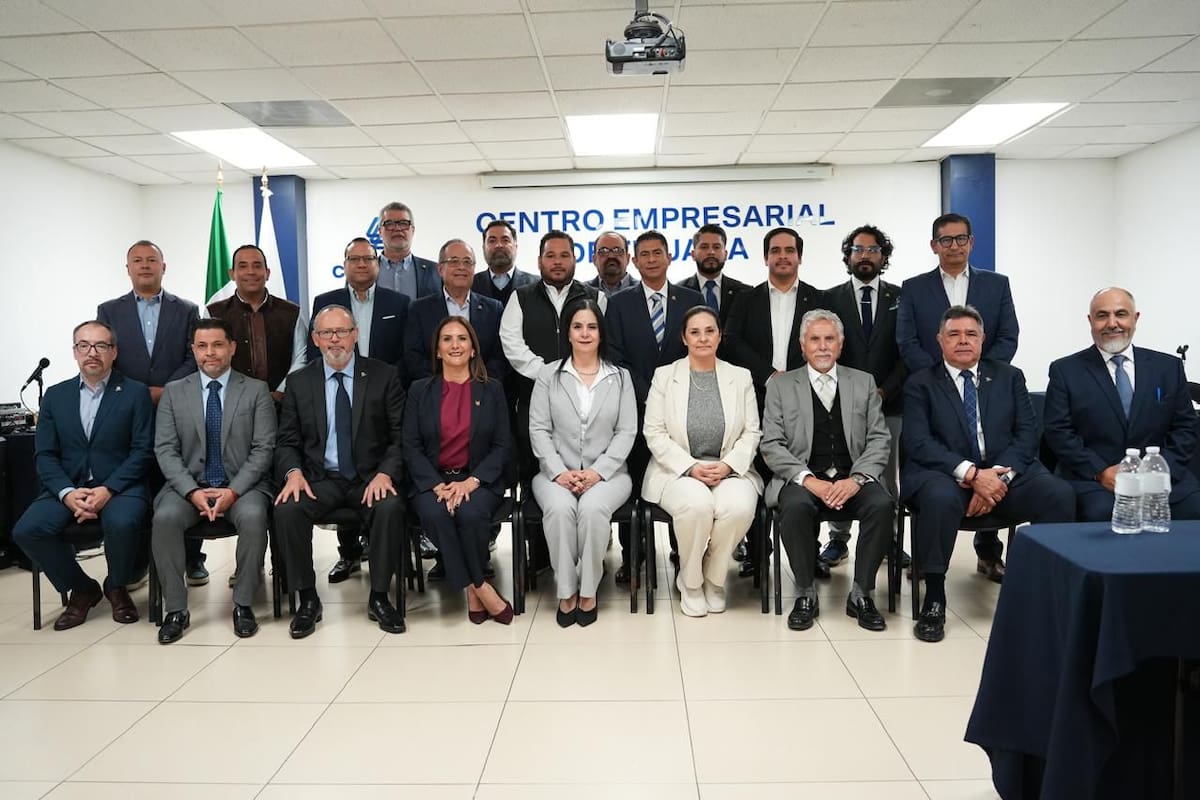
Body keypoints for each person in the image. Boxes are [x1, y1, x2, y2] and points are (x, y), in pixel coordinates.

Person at [901, 305, 1074, 643]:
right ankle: (934, 597)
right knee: (938, 498)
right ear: (940, 340)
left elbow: (1027, 434)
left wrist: (996, 479)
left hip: (1003, 474)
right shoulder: (921, 383)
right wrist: (971, 475)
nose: (962, 341)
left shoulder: (1010, 377)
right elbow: (919, 443)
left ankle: (1045, 594)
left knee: (1058, 494)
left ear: (983, 339)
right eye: (954, 334)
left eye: (971, 334)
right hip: (944, 474)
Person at [895, 213, 1019, 582]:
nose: (954, 246)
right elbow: (907, 341)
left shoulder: (997, 285)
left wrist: (979, 373)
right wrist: (943, 378)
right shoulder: (914, 287)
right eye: (945, 240)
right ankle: (927, 558)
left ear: (972, 242)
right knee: (938, 475)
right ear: (934, 245)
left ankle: (988, 552)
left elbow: (1008, 337)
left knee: (988, 460)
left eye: (960, 239)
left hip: (985, 388)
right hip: (934, 394)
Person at [274, 306, 407, 638]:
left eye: (342, 331)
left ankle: (379, 597)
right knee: (288, 510)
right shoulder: (299, 382)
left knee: (390, 507)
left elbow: (401, 435)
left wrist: (385, 473)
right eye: (326, 333)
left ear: (355, 335)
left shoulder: (383, 375)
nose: (335, 339)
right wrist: (293, 472)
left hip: (369, 478)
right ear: (316, 339)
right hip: (320, 479)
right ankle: (307, 599)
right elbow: (287, 440)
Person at [13, 321, 154, 630]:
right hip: (67, 486)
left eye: (101, 346)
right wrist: (66, 492)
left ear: (114, 352)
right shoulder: (55, 396)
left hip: (121, 485)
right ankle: (82, 588)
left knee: (123, 521)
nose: (93, 353)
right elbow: (45, 455)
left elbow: (143, 451)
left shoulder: (134, 393)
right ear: (74, 351)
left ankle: (116, 586)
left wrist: (109, 489)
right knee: (27, 530)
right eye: (84, 346)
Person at [760, 310, 894, 632]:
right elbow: (772, 445)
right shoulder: (781, 386)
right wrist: (810, 481)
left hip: (854, 476)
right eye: (815, 339)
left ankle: (861, 593)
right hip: (803, 477)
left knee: (882, 504)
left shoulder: (863, 383)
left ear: (841, 344)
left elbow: (879, 439)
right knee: (793, 506)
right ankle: (806, 592)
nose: (822, 347)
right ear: (802, 345)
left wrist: (856, 480)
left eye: (829, 339)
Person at [151, 319, 276, 643]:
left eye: (218, 345)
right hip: (187, 486)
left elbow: (264, 449)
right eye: (202, 346)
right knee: (164, 518)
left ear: (232, 347)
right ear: (193, 350)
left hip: (241, 485)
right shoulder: (174, 393)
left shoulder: (256, 390)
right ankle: (176, 609)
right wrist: (191, 491)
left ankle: (244, 604)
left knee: (253, 516)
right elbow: (165, 449)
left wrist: (233, 492)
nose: (211, 353)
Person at [642, 306, 763, 617]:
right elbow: (653, 432)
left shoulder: (741, 377)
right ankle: (691, 581)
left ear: (720, 336)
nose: (703, 338)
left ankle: (713, 577)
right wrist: (690, 467)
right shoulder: (665, 376)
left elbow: (752, 431)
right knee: (696, 506)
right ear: (684, 338)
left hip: (729, 469)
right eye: (694, 332)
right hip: (677, 471)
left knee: (738, 508)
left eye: (710, 331)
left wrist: (728, 466)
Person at [97, 240, 205, 583]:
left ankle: (192, 558)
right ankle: (139, 561)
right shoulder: (109, 311)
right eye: (137, 261)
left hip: (177, 406)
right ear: (127, 268)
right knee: (137, 481)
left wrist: (166, 390)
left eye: (152, 260)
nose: (145, 266)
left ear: (164, 266)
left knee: (185, 476)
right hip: (129, 409)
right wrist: (137, 393)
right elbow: (105, 355)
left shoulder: (186, 309)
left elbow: (194, 356)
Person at [1043, 287, 1200, 521]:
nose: (1112, 323)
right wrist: (1100, 472)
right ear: (1090, 321)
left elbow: (1185, 427)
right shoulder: (1065, 371)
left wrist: (1160, 470)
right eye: (1102, 315)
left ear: (1135, 318)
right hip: (1095, 481)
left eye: (1121, 314)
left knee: (1193, 508)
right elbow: (1059, 432)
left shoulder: (1168, 368)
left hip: (1161, 476)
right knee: (1102, 515)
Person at [720, 227, 821, 580]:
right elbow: (730, 341)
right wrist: (769, 375)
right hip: (757, 397)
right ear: (765, 258)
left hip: (805, 399)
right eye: (775, 250)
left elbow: (826, 348)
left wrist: (792, 379)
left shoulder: (818, 299)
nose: (782, 256)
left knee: (805, 469)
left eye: (789, 250)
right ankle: (758, 554)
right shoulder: (746, 299)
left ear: (799, 256)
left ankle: (811, 554)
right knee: (758, 473)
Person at [529, 300, 637, 627]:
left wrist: (596, 472)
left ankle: (589, 589)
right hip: (553, 473)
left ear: (601, 333)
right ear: (567, 332)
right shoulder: (549, 375)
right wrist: (559, 472)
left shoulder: (620, 377)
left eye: (592, 326)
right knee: (560, 510)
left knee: (591, 510)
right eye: (578, 326)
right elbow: (538, 428)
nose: (585, 333)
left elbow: (626, 430)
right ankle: (566, 590)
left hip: (609, 475)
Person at [309, 238, 410, 584]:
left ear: (378, 264)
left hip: (380, 395)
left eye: (368, 259)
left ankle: (382, 572)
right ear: (345, 263)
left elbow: (406, 353)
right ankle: (348, 553)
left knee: (369, 468)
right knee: (341, 459)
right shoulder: (326, 303)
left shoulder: (398, 302)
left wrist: (385, 387)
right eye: (354, 259)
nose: (362, 265)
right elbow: (315, 353)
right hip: (338, 387)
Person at [605, 230, 702, 584]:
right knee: (633, 482)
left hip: (684, 408)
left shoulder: (691, 299)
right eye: (643, 254)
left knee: (682, 479)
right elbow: (614, 356)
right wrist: (649, 393)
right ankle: (634, 558)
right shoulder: (618, 303)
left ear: (669, 256)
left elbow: (702, 351)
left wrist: (670, 396)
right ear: (633, 260)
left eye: (656, 253)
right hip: (636, 407)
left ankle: (683, 554)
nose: (650, 259)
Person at [403, 317, 514, 624]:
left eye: (462, 339)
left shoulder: (491, 390)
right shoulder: (419, 391)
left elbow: (502, 445)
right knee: (437, 514)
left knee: (470, 513)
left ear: (473, 348)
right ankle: (478, 585)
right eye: (447, 339)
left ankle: (472, 587)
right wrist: (437, 486)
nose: (455, 345)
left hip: (478, 479)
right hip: (433, 481)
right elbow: (410, 445)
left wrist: (471, 482)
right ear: (437, 351)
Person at [819, 224, 907, 570]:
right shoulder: (830, 298)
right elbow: (824, 352)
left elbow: (907, 354)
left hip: (890, 401)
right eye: (858, 249)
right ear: (848, 255)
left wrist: (885, 390)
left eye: (872, 249)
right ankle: (838, 541)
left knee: (885, 476)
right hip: (839, 404)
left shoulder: (901, 298)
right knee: (840, 469)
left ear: (883, 256)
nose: (865, 255)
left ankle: (889, 541)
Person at [499, 230, 604, 486]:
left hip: (584, 399)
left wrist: (573, 375)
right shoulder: (521, 297)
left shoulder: (595, 297)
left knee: (580, 474)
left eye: (564, 255)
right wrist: (546, 374)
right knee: (536, 474)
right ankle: (533, 525)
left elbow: (601, 343)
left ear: (575, 260)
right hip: (534, 398)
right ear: (539, 261)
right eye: (551, 256)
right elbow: (512, 343)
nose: (557, 262)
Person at [206, 244, 307, 404]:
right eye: (243, 266)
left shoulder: (292, 312)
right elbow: (209, 357)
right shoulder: (214, 313)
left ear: (267, 273)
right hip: (231, 402)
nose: (251, 272)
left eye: (257, 266)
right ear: (232, 274)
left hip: (283, 403)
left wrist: (281, 392)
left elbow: (301, 357)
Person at [404, 238, 506, 384]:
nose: (461, 267)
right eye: (454, 261)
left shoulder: (494, 309)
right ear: (440, 269)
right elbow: (413, 356)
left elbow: (500, 356)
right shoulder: (419, 309)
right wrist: (443, 385)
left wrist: (479, 384)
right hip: (434, 393)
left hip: (483, 393)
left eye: (467, 262)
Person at [679, 224, 749, 325]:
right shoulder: (679, 292)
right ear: (693, 255)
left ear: (725, 254)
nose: (711, 252)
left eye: (716, 247)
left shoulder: (744, 293)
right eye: (704, 247)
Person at [375, 201, 442, 299]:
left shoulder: (434, 271)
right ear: (380, 231)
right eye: (390, 224)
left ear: (413, 230)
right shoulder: (365, 270)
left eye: (403, 223)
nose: (397, 229)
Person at [472, 219, 537, 309]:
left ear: (516, 246)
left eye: (505, 240)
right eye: (492, 241)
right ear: (483, 248)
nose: (499, 245)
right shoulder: (471, 285)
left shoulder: (536, 285)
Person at [586, 231, 638, 297]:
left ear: (627, 258)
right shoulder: (581, 292)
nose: (611, 256)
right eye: (603, 251)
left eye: (617, 250)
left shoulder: (644, 291)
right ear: (594, 259)